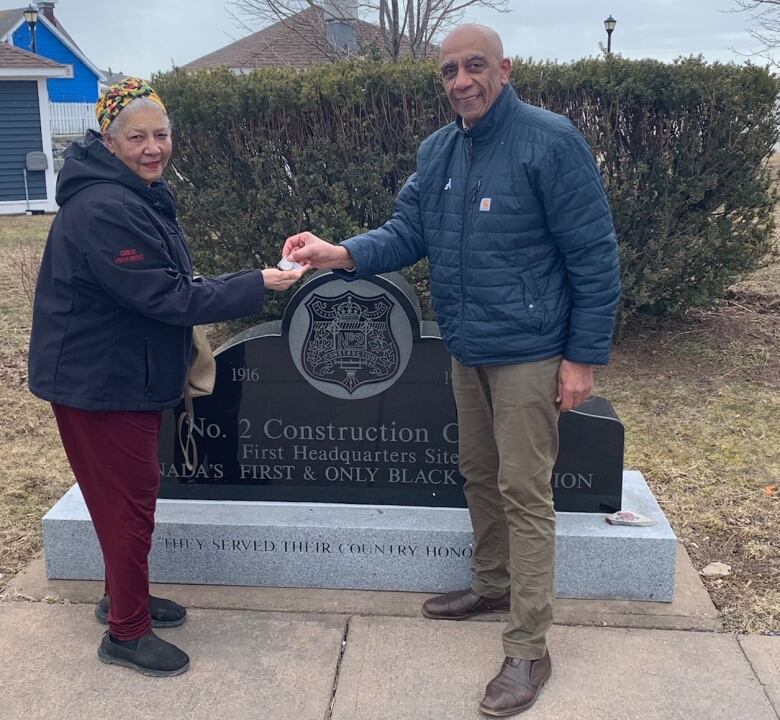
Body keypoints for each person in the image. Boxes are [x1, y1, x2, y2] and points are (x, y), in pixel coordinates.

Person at [283, 24, 621, 717]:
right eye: (448, 71)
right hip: (468, 347)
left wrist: (582, 357)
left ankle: (529, 645)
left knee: (525, 492)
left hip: (530, 351)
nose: (461, 81)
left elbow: (595, 255)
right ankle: (493, 583)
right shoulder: (437, 151)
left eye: (473, 67)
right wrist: (336, 252)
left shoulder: (549, 141)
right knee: (477, 471)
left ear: (504, 67)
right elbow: (408, 233)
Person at [28, 78, 304, 677]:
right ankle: (126, 633)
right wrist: (261, 283)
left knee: (121, 501)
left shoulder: (130, 194)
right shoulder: (106, 209)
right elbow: (166, 295)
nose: (154, 147)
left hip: (118, 373)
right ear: (109, 139)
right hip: (101, 384)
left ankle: (120, 597)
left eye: (162, 134)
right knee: (129, 505)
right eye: (138, 137)